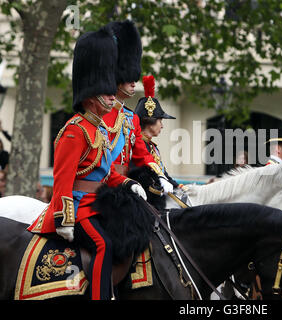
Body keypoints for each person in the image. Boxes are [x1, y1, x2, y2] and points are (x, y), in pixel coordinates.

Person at [27, 26, 147, 300]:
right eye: (106, 93)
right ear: (91, 96)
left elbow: (105, 176)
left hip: (97, 204)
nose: (112, 96)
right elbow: (63, 180)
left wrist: (128, 184)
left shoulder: (99, 130)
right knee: (103, 244)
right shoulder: (74, 130)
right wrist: (64, 218)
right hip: (79, 208)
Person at [102, 20, 173, 195]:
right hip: (103, 187)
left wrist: (160, 175)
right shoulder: (101, 114)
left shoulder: (131, 118)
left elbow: (142, 154)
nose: (134, 83)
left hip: (125, 188)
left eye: (135, 79)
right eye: (129, 79)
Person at [134, 75, 179, 191]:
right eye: (160, 121)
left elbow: (163, 172)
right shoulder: (136, 144)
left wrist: (178, 186)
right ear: (150, 121)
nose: (162, 126)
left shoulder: (152, 147)